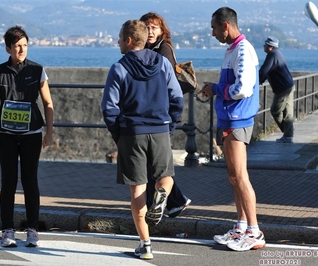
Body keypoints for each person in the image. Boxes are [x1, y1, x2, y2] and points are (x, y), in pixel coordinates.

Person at [101, 20, 183, 260]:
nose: (117, 41)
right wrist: (170, 126)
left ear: (128, 40)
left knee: (137, 191)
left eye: (119, 37)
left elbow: (108, 108)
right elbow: (177, 98)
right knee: (165, 179)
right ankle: (162, 197)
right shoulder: (163, 63)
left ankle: (145, 245)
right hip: (160, 130)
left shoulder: (119, 68)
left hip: (131, 133)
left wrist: (119, 134)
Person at [198, 7, 266, 251]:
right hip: (229, 119)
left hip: (238, 119)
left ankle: (254, 231)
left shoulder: (243, 50)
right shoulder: (233, 50)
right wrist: (215, 88)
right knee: (234, 177)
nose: (213, 33)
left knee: (240, 177)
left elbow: (243, 89)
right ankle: (241, 225)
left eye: (215, 28)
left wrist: (215, 89)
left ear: (225, 25)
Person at [0, 25, 54, 248]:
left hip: (31, 133)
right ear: (8, 49)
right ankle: (7, 230)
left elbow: (48, 103)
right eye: (17, 46)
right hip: (4, 135)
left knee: (30, 181)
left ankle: (32, 230)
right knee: (8, 182)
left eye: (25, 45)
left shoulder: (38, 70)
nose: (22, 49)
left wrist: (49, 132)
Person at [139, 11, 191, 218]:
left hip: (163, 114)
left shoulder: (164, 50)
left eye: (154, 27)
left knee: (156, 162)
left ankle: (174, 201)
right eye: (147, 27)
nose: (151, 31)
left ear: (162, 31)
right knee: (154, 161)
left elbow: (161, 82)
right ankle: (172, 201)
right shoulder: (148, 49)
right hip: (154, 113)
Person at [259, 36, 295, 143]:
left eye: (265, 44)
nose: (263, 46)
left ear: (270, 47)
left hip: (283, 88)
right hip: (289, 85)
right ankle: (288, 135)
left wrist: (257, 82)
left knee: (275, 110)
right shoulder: (278, 54)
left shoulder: (272, 55)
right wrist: (262, 79)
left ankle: (288, 133)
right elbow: (268, 71)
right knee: (288, 112)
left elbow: (263, 71)